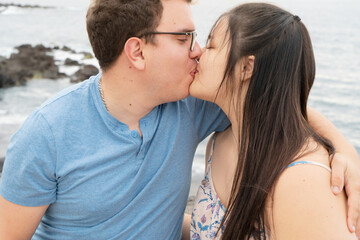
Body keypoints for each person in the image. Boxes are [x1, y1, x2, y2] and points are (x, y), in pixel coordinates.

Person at [0, 0, 358, 239]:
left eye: (200, 38)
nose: (197, 49)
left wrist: (346, 152)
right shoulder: (46, 134)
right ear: (137, 51)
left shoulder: (192, 103)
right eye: (184, 36)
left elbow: (274, 104)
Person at [186, 2, 360, 239]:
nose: (198, 52)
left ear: (246, 68)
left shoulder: (303, 181)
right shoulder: (219, 144)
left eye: (211, 45)